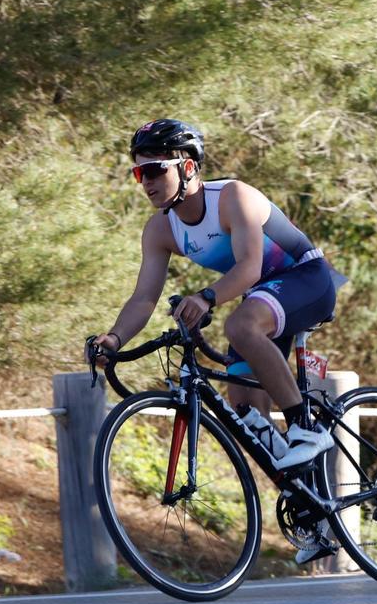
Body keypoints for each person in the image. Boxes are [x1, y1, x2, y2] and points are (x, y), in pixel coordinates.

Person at [88, 120, 345, 480]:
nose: (146, 181)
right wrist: (114, 339)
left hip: (306, 278)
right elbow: (144, 298)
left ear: (188, 167)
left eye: (154, 170)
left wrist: (207, 297)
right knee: (243, 409)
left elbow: (251, 268)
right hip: (264, 298)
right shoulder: (161, 230)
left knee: (239, 325)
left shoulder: (231, 198)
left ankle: (305, 427)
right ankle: (306, 497)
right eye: (138, 172)